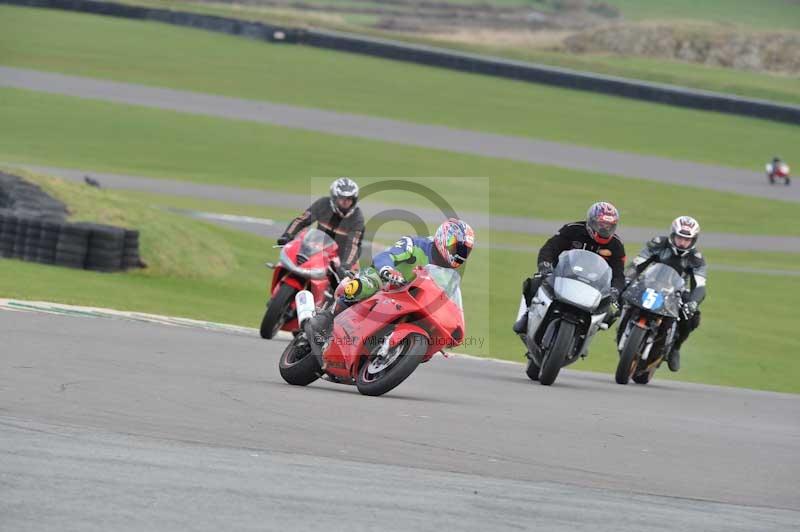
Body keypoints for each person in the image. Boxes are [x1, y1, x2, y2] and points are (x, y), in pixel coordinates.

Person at [308, 218, 475, 334]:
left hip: (411, 300)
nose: (459, 254)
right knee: (362, 286)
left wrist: (453, 325)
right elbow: (388, 255)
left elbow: (448, 299)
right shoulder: (417, 244)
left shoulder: (450, 274)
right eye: (456, 247)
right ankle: (327, 318)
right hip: (385, 282)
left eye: (464, 251)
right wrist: (387, 270)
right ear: (445, 237)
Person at [512, 201, 626, 335]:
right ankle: (527, 317)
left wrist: (615, 291)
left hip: (595, 286)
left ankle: (586, 334)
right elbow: (550, 248)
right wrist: (545, 266)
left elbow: (618, 274)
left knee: (614, 309)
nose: (605, 229)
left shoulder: (616, 246)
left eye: (609, 226)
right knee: (534, 283)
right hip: (565, 275)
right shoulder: (573, 229)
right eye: (601, 225)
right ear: (591, 221)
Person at [624, 216, 706, 372]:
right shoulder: (658, 244)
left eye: (687, 239)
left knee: (692, 316)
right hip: (650, 283)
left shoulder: (696, 259)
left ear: (694, 240)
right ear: (672, 234)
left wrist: (693, 302)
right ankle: (609, 319)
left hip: (677, 291)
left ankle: (675, 347)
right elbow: (637, 264)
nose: (682, 242)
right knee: (621, 293)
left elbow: (700, 286)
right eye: (680, 237)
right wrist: (628, 277)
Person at [277, 178, 364, 271]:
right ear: (334, 197)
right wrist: (287, 236)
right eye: (342, 198)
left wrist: (345, 266)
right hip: (317, 251)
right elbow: (302, 220)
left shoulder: (357, 218)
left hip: (342, 258)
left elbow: (353, 245)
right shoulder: (323, 204)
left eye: (349, 199)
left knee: (347, 283)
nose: (346, 202)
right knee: (288, 266)